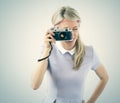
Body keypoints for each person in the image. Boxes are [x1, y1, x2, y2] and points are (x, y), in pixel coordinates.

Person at [31, 6, 109, 103]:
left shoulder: (89, 52)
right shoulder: (48, 50)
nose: (71, 34)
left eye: (75, 29)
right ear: (56, 29)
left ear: (79, 26)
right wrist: (47, 49)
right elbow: (34, 85)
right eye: (66, 30)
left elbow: (104, 77)